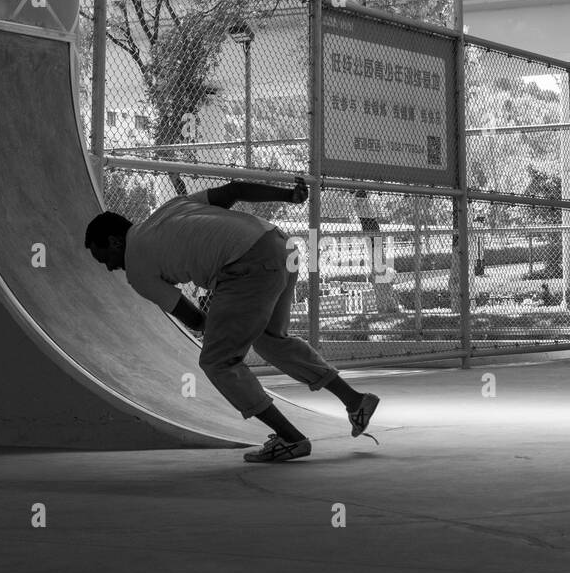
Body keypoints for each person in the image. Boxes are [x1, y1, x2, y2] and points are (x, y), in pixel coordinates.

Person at [84, 177, 379, 462]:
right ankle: (355, 401)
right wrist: (288, 196)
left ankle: (291, 438)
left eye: (104, 258)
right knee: (271, 341)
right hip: (280, 245)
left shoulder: (136, 268)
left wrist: (217, 328)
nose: (109, 268)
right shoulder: (170, 208)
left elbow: (193, 318)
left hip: (247, 266)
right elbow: (234, 190)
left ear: (114, 241)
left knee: (217, 361)